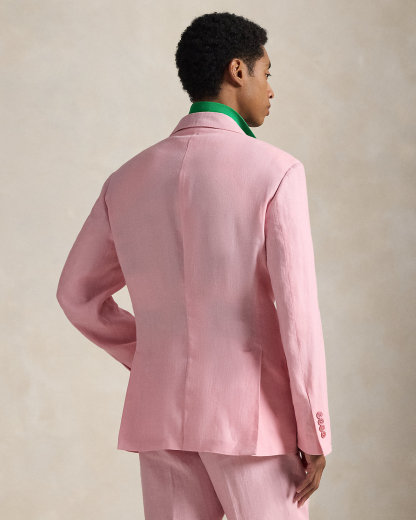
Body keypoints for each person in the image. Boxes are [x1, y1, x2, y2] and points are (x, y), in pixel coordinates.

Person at [56, 11, 332, 520]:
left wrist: (149, 352)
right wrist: (315, 429)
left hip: (159, 412)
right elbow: (299, 317)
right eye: (267, 72)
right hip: (253, 420)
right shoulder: (276, 172)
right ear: (237, 71)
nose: (271, 88)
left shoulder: (126, 179)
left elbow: (76, 293)